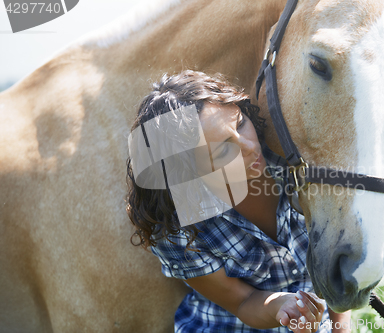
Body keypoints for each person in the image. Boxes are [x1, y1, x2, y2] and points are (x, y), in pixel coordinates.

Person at [126, 70, 351, 333]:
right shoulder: (177, 227)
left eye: (241, 122)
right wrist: (279, 305)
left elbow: (339, 260)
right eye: (224, 149)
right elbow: (242, 301)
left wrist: (340, 328)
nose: (249, 147)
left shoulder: (294, 162)